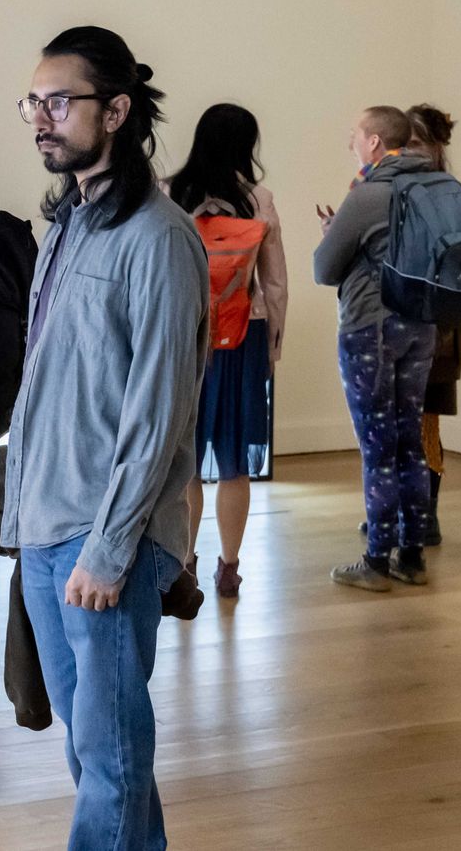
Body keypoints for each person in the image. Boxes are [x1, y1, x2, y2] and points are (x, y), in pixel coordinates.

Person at [4, 25, 207, 850]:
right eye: (33, 102)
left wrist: (111, 549)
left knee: (111, 756)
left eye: (59, 102)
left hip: (103, 538)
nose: (41, 119)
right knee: (96, 752)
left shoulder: (159, 239)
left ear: (116, 112)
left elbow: (158, 412)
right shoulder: (69, 226)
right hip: (48, 526)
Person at [312, 106, 438, 591]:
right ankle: (413, 556)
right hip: (421, 325)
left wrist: (332, 235)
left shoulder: (368, 194)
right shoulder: (434, 188)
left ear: (375, 143)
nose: (351, 142)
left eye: (356, 134)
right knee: (410, 441)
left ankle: (377, 562)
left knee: (378, 447)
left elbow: (324, 269)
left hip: (370, 327)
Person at [165, 103, 288, 599]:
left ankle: (184, 563)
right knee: (235, 461)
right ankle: (230, 568)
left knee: (185, 459)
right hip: (242, 337)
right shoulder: (258, 199)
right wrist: (273, 347)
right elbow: (275, 284)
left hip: (182, 336)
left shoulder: (168, 194)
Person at [405, 103, 461, 545]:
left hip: (438, 328)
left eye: (417, 143)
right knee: (397, 425)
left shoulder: (450, 194)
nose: (408, 151)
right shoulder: (399, 189)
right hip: (404, 323)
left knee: (426, 424)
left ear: (436, 147)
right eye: (404, 143)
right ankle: (400, 513)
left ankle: (425, 516)